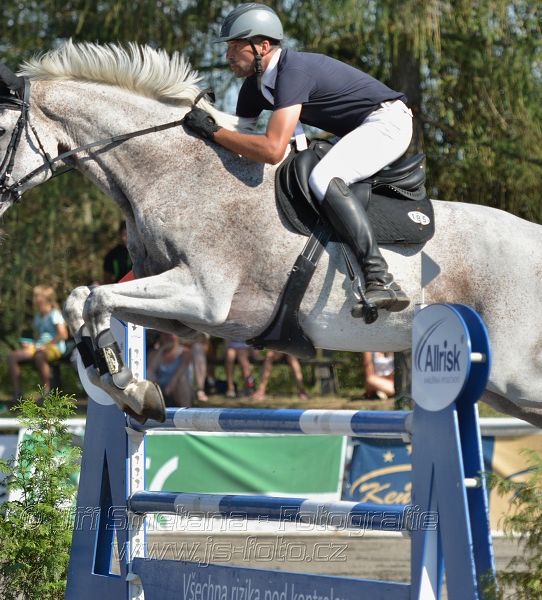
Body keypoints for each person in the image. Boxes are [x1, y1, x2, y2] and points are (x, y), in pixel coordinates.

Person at [184, 3, 413, 315]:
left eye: (235, 47)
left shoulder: (292, 73)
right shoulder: (254, 88)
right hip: (356, 130)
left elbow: (271, 150)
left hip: (388, 122)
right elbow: (239, 143)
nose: (228, 56)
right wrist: (210, 120)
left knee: (324, 177)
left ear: (263, 46)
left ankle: (380, 277)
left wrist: (213, 132)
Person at [8, 285, 68, 400]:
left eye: (37, 297)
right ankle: (17, 393)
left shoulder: (54, 314)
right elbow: (38, 335)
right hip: (39, 346)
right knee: (12, 357)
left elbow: (63, 335)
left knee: (40, 356)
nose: (34, 300)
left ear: (45, 299)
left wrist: (45, 346)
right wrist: (30, 344)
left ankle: (46, 392)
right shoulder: (37, 316)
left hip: (54, 347)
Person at [147, 332, 193, 407]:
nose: (168, 337)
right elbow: (150, 370)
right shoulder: (153, 354)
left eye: (171, 335)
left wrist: (171, 384)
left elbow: (182, 368)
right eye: (165, 334)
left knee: (182, 378)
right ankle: (153, 409)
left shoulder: (185, 352)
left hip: (178, 388)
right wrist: (161, 349)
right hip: (160, 390)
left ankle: (187, 410)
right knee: (149, 374)